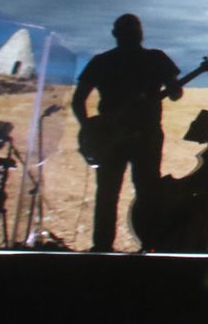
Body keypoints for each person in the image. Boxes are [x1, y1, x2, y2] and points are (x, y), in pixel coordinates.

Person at [72, 14, 180, 251]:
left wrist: (90, 127)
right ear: (140, 33)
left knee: (109, 193)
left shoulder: (102, 61)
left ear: (115, 35)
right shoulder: (155, 59)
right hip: (145, 137)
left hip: (116, 137)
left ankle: (103, 247)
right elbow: (175, 93)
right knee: (147, 192)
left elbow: (78, 100)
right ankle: (152, 245)